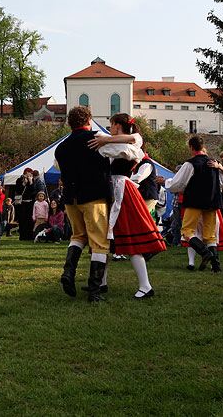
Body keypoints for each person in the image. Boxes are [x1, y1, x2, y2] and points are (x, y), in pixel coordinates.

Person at [88, 113, 166, 298]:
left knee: (132, 240)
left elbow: (130, 141)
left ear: (116, 125)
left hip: (123, 190)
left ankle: (145, 286)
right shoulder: (112, 142)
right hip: (112, 190)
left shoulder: (132, 142)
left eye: (111, 125)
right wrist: (105, 141)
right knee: (105, 239)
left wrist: (105, 140)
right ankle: (101, 282)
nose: (109, 128)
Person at [55, 106, 120, 302]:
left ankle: (68, 273)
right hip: (94, 196)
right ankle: (94, 289)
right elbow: (121, 151)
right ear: (89, 120)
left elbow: (59, 167)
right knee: (100, 243)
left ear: (69, 123)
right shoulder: (97, 138)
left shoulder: (61, 147)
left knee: (78, 236)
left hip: (71, 198)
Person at [157, 135, 223, 273]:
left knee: (187, 231)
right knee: (210, 235)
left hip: (195, 201)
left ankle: (204, 252)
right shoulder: (214, 163)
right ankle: (216, 266)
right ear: (203, 146)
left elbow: (179, 182)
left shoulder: (191, 163)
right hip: (212, 202)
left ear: (191, 147)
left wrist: (166, 182)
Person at [131, 143, 159, 217]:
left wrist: (124, 180)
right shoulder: (138, 163)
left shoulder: (147, 163)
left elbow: (137, 178)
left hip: (148, 196)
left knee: (141, 217)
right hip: (142, 195)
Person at [15, 167, 36, 240]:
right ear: (26, 172)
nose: (31, 174)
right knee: (22, 219)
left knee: (29, 219)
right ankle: (23, 236)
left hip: (29, 202)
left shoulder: (31, 180)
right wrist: (23, 184)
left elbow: (33, 191)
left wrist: (30, 183)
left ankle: (29, 235)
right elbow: (18, 190)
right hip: (22, 203)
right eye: (30, 173)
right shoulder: (19, 180)